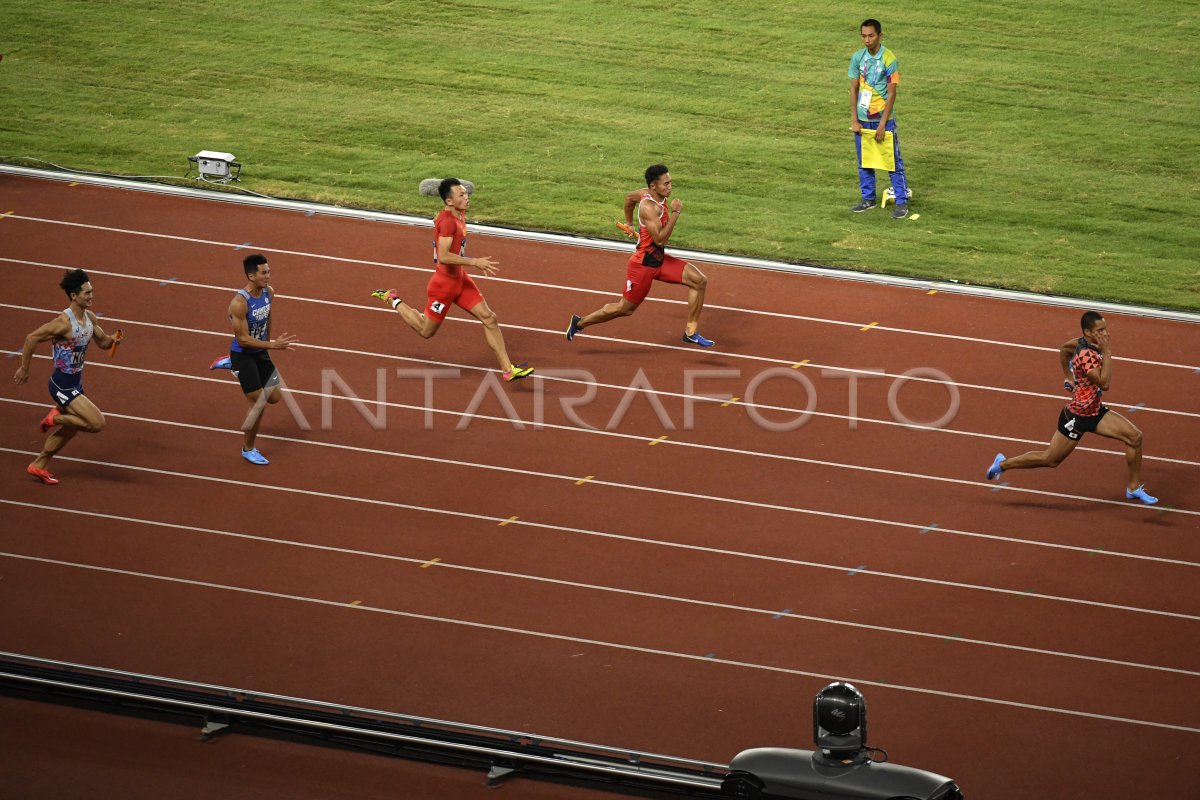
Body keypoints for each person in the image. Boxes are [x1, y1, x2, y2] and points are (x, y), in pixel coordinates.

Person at [371, 178, 534, 382]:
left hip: (460, 280)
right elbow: (444, 256)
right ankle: (393, 299)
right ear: (449, 201)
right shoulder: (448, 222)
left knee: (489, 318)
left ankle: (508, 370)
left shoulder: (456, 213)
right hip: (444, 286)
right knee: (425, 331)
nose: (467, 197)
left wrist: (443, 192)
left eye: (466, 193)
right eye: (462, 195)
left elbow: (441, 216)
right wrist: (475, 261)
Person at [986, 311, 1157, 504]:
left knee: (1135, 437)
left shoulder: (1082, 343)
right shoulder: (1086, 354)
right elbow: (1104, 383)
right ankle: (1001, 464)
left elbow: (1063, 350)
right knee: (1050, 459)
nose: (1105, 333)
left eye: (1105, 329)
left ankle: (1133, 488)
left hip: (1095, 412)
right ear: (1088, 332)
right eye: (1100, 330)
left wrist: (1068, 376)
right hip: (1076, 417)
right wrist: (1107, 352)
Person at [566, 164, 713, 347]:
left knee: (699, 280)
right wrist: (675, 213)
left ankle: (690, 332)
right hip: (643, 265)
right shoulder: (649, 208)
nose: (670, 187)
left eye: (670, 183)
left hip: (658, 260)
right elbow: (659, 239)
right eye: (666, 184)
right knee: (625, 309)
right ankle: (579, 322)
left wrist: (629, 223)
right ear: (653, 186)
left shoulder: (645, 193)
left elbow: (628, 198)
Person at [13, 269, 121, 485]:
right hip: (61, 385)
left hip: (75, 383)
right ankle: (54, 418)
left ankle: (39, 465)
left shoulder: (90, 318)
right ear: (74, 296)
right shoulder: (63, 323)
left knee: (71, 430)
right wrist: (24, 368)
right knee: (96, 423)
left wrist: (114, 340)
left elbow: (102, 342)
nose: (91, 296)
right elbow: (31, 338)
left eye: (91, 291)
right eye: (86, 293)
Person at [209, 254, 299, 465]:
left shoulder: (269, 292)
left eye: (268, 272)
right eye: (263, 273)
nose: (268, 276)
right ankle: (248, 449)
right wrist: (272, 345)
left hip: (260, 352)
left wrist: (268, 344)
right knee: (258, 404)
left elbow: (268, 317)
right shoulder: (239, 303)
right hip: (243, 354)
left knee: (274, 397)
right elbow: (243, 340)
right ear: (251, 275)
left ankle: (232, 367)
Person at [848, 18, 910, 219]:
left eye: (871, 35)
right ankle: (868, 199)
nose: (867, 40)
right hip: (863, 119)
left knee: (892, 162)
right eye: (864, 36)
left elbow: (892, 93)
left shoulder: (889, 59)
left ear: (880, 36)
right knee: (865, 161)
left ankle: (901, 202)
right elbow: (854, 89)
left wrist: (883, 124)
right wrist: (854, 120)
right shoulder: (858, 58)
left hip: (883, 121)